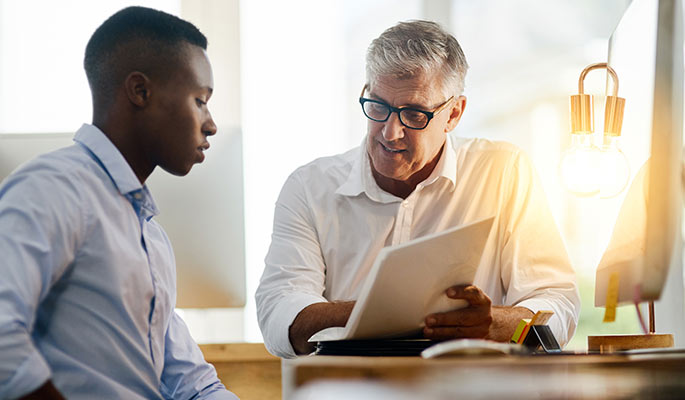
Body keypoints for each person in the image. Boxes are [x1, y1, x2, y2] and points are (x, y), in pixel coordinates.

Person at [256, 20, 580, 358]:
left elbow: (558, 302)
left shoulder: (504, 172)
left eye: (413, 113)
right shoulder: (309, 187)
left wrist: (498, 323)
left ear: (454, 113)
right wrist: (385, 312)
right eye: (378, 107)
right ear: (367, 91)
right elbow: (280, 317)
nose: (390, 132)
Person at [0, 7, 238, 399]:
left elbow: (193, 385)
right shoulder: (54, 188)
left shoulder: (151, 236)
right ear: (140, 91)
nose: (210, 123)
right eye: (200, 100)